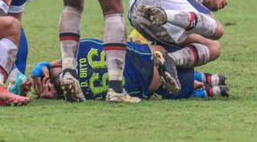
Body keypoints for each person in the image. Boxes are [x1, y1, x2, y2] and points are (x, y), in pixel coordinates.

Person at [30, 38, 230, 100]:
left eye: (48, 83)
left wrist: (43, 66)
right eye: (51, 90)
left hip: (152, 55)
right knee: (185, 89)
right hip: (151, 85)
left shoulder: (75, 52)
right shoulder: (75, 95)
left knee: (183, 70)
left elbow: (60, 61)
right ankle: (205, 84)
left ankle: (201, 78)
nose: (49, 87)